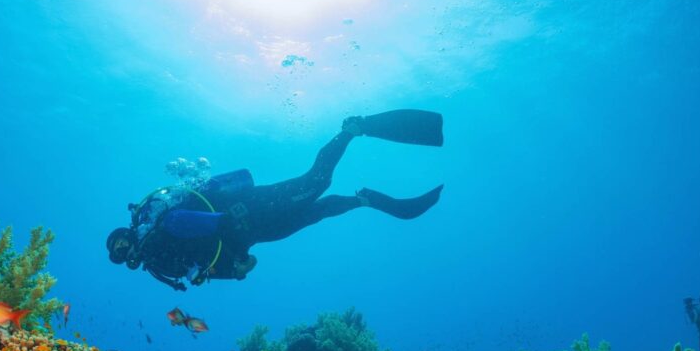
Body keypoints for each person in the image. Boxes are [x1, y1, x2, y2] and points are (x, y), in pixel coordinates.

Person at [107, 109, 446, 291]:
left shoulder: (161, 228)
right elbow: (212, 267)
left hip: (251, 209)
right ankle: (364, 199)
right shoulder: (159, 264)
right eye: (119, 255)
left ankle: (351, 128)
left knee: (316, 181)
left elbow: (187, 222)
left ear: (129, 232)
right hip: (255, 233)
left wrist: (226, 230)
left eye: (122, 243)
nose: (125, 252)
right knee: (320, 211)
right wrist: (239, 267)